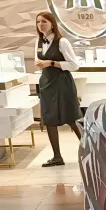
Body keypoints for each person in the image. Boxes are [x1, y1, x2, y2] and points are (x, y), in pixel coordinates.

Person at [33, 12, 82, 168]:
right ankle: (57, 157)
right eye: (38, 22)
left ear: (52, 24)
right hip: (46, 84)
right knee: (49, 119)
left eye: (44, 21)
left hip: (63, 84)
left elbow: (74, 65)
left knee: (72, 117)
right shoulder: (38, 42)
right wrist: (40, 64)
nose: (41, 25)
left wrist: (51, 63)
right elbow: (39, 60)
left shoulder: (62, 42)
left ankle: (90, 150)